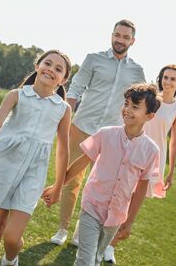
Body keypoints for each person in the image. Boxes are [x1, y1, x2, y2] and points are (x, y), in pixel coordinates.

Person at [0, 50, 72, 266]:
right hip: (4, 164)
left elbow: (63, 149)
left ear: (63, 79)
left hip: (33, 173)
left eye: (58, 69)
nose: (51, 70)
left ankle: (11, 258)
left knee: (11, 237)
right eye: (47, 63)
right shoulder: (16, 95)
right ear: (37, 65)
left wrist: (58, 185)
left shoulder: (63, 109)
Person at [50, 20, 146, 246]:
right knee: (70, 179)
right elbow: (76, 88)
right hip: (83, 126)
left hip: (112, 135)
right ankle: (62, 228)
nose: (120, 40)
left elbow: (143, 103)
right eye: (117, 35)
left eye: (125, 37)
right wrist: (65, 115)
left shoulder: (137, 71)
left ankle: (80, 234)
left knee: (100, 187)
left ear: (132, 41)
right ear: (112, 35)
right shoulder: (94, 59)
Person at [43, 84, 161, 266]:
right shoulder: (105, 134)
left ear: (149, 116)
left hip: (116, 215)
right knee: (85, 260)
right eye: (126, 104)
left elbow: (141, 188)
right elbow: (80, 164)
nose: (127, 110)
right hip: (92, 205)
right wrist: (58, 186)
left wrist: (129, 222)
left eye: (135, 107)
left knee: (96, 258)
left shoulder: (151, 150)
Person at [103, 64, 176, 264]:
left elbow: (174, 142)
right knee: (115, 195)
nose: (167, 81)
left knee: (131, 204)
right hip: (131, 149)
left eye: (172, 79)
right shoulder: (150, 99)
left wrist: (171, 171)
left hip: (152, 159)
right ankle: (94, 236)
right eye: (165, 77)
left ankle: (110, 245)